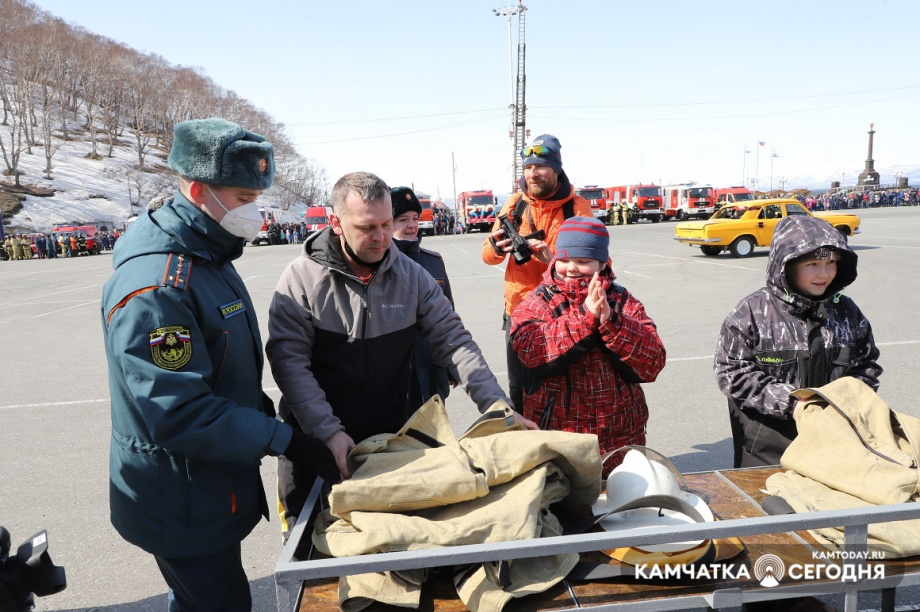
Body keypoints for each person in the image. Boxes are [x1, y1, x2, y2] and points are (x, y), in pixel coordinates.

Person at [101, 118, 337, 612]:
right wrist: (283, 440)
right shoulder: (159, 287)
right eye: (243, 199)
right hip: (180, 496)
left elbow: (225, 365)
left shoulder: (209, 253)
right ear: (196, 190)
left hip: (207, 483)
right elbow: (179, 412)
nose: (255, 214)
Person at [266, 171, 538, 538]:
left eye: (385, 223)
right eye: (367, 227)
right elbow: (289, 363)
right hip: (313, 441)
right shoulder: (300, 280)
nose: (381, 237)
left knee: (391, 546)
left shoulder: (413, 277)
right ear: (336, 223)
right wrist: (327, 432)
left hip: (387, 440)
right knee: (307, 555)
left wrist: (500, 410)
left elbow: (455, 342)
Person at [714, 214, 882, 468]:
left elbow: (866, 365)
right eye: (812, 264)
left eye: (832, 263)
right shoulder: (750, 313)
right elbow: (733, 372)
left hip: (835, 442)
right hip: (768, 452)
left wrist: (845, 405)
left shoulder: (846, 312)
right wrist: (794, 405)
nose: (823, 274)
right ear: (786, 265)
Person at [511, 217, 666, 477]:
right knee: (564, 509)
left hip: (622, 435)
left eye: (583, 262)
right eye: (564, 260)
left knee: (622, 505)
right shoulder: (538, 300)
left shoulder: (622, 300)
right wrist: (586, 317)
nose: (571, 268)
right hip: (558, 437)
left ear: (602, 264)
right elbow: (533, 351)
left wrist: (611, 321)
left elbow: (653, 362)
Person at [481, 134, 593, 412]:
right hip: (518, 312)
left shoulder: (576, 209)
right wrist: (498, 246)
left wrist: (552, 261)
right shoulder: (514, 204)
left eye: (540, 167)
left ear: (556, 169)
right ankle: (527, 450)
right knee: (518, 390)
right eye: (528, 167)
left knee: (562, 390)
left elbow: (600, 265)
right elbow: (487, 255)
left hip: (562, 313)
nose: (533, 173)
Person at [390, 185, 456, 410]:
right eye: (402, 219)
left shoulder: (433, 261)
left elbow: (449, 317)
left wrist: (452, 363)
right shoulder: (378, 265)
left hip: (431, 370)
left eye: (415, 218)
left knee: (435, 436)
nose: (411, 225)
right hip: (394, 375)